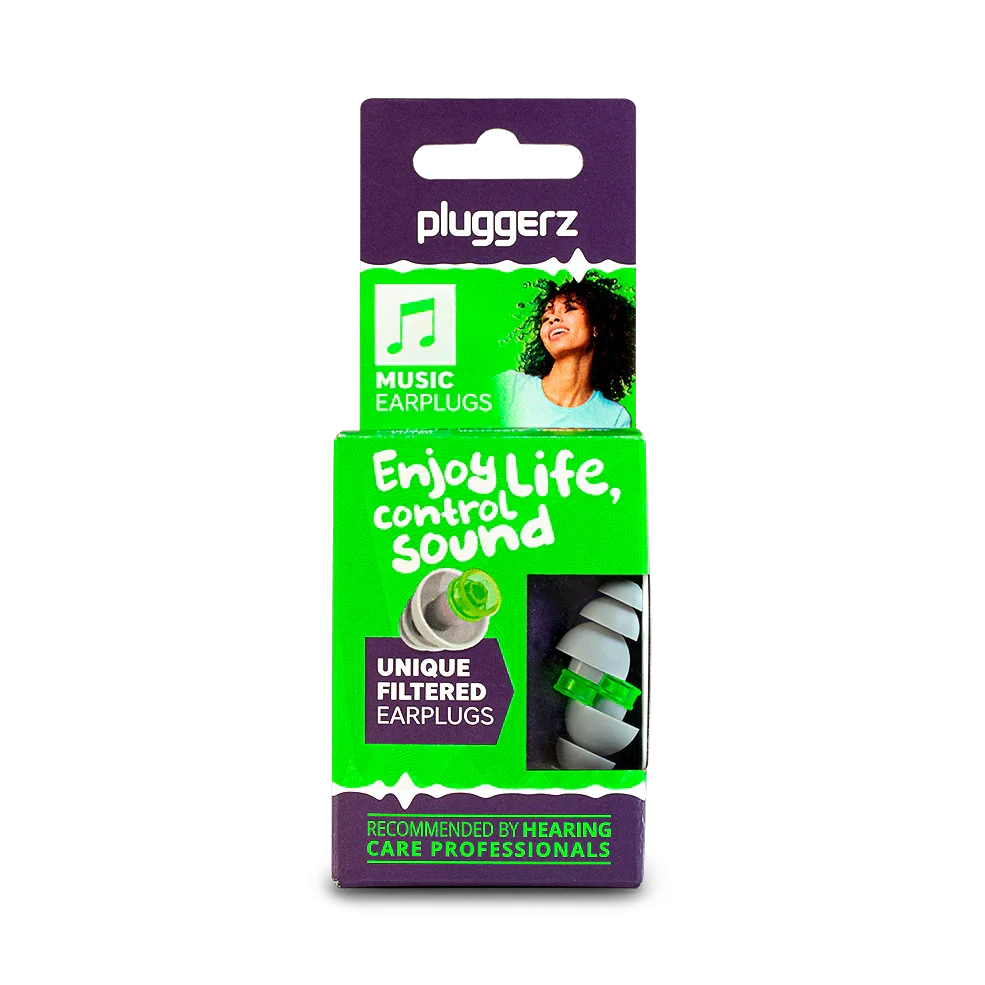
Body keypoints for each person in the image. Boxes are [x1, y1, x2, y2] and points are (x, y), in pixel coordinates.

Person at [495, 273, 635, 428]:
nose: (553, 318)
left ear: (597, 327)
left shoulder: (615, 418)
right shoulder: (507, 388)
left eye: (569, 309)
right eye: (546, 317)